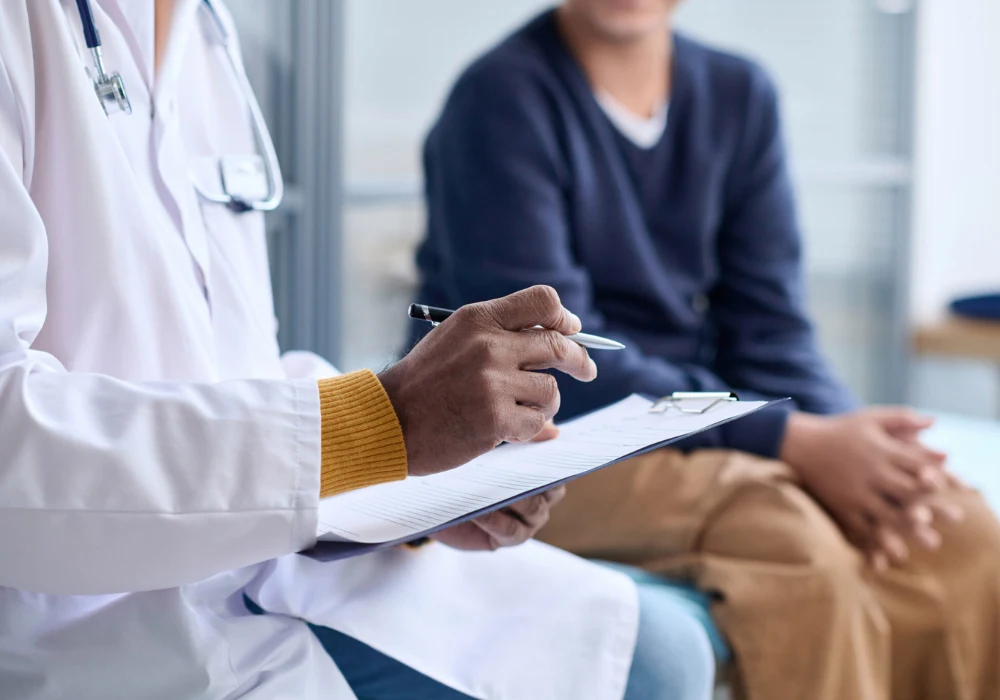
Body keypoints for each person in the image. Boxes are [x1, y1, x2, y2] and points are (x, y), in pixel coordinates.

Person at [0, 1, 717, 698]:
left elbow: (226, 370)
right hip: (79, 627)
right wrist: (384, 424)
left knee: (662, 650)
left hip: (260, 564)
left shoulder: (205, 30)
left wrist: (426, 475)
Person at [414, 0, 1000, 698]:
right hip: (548, 442)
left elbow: (773, 329)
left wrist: (855, 447)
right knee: (785, 536)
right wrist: (790, 437)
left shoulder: (738, 94)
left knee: (956, 526)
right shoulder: (500, 99)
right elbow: (554, 363)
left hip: (697, 424)